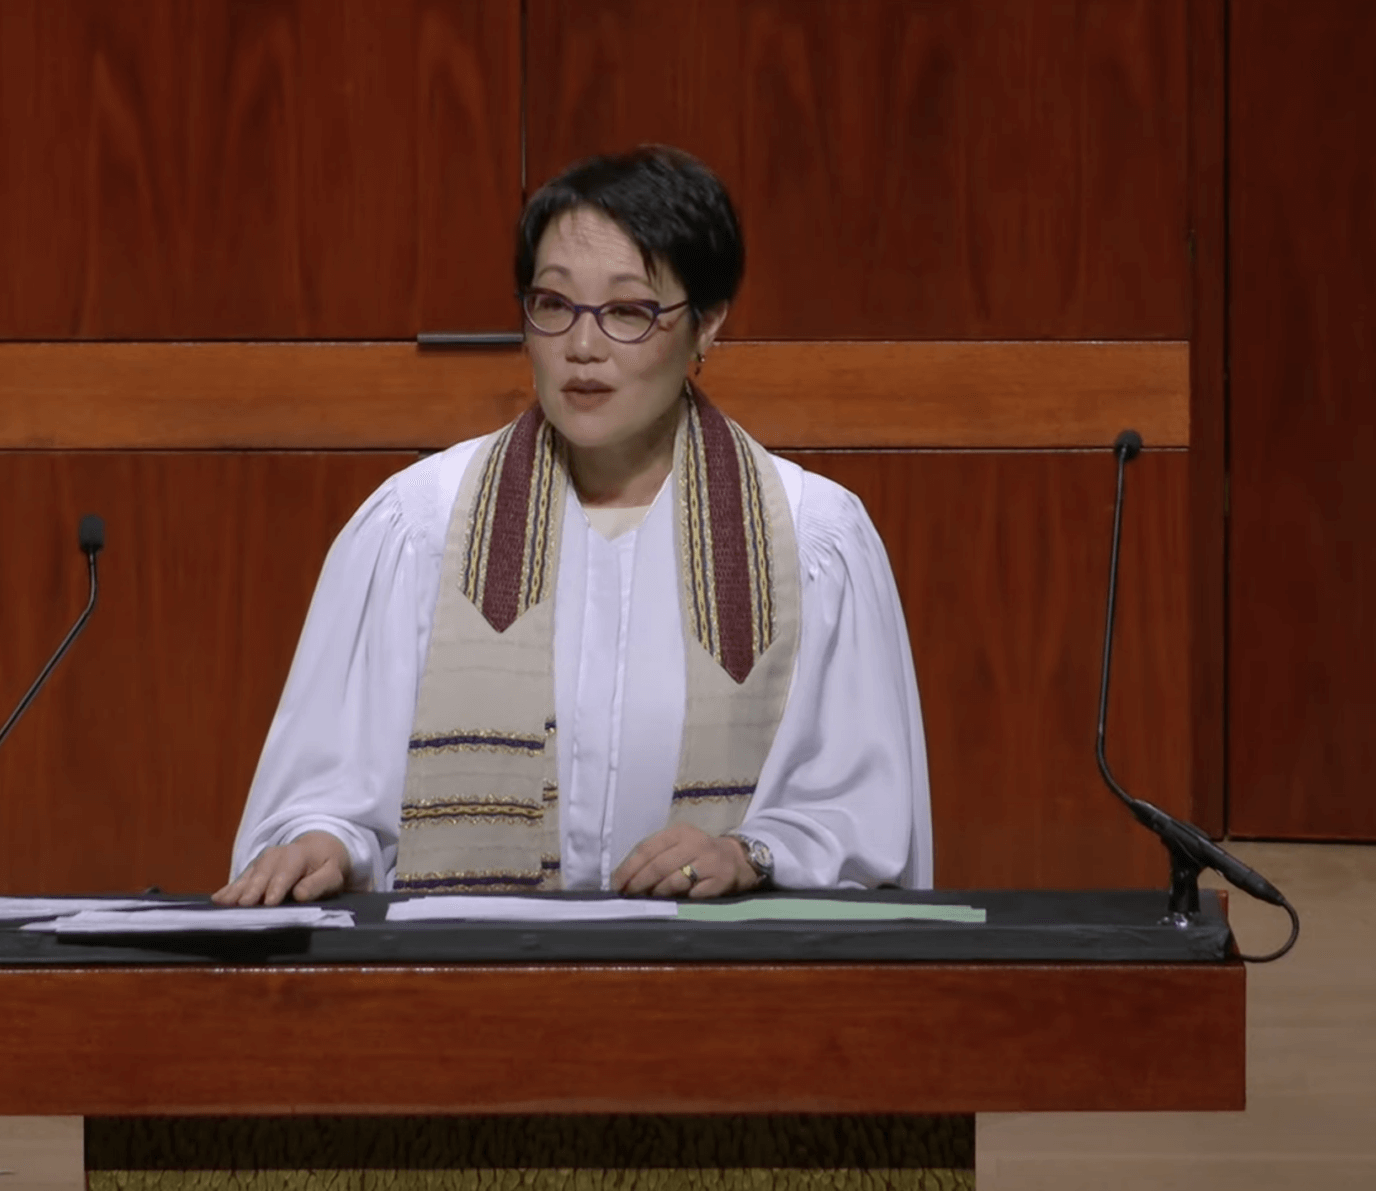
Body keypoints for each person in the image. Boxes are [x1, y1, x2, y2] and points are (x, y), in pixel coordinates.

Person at [214, 147, 933, 905]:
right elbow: (326, 796)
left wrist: (750, 853)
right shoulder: (421, 528)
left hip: (723, 999)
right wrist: (325, 845)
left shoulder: (810, 538)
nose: (582, 347)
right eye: (553, 306)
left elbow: (865, 821)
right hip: (469, 999)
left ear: (707, 326)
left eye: (628, 311)